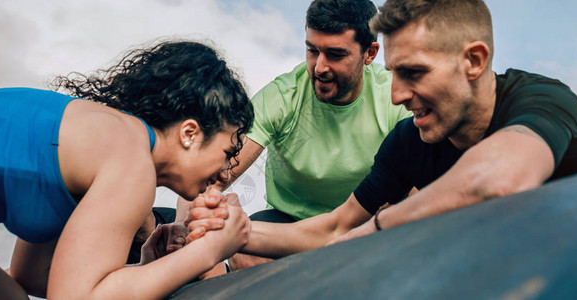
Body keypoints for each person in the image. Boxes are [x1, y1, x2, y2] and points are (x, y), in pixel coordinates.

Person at [187, 0, 577, 261]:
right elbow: (335, 228)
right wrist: (228, 228)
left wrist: (377, 228)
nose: (398, 95)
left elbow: (496, 178)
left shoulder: (542, 99)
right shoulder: (409, 140)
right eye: (393, 74)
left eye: (414, 73)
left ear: (475, 61)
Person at [0, 40, 252, 299]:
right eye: (226, 152)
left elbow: (33, 276)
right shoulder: (131, 159)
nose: (225, 172)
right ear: (190, 133)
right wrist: (208, 251)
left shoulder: (104, 143)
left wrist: (148, 268)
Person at [169, 0, 412, 274]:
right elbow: (207, 176)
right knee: (239, 251)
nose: (319, 67)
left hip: (365, 220)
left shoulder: (396, 99)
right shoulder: (282, 97)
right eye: (312, 50)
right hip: (289, 222)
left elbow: (419, 189)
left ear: (369, 53)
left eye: (335, 54)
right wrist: (183, 225)